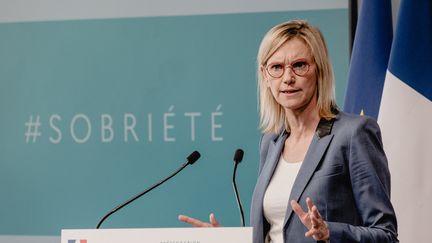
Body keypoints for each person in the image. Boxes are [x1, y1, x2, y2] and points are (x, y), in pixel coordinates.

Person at [179, 20, 398, 243]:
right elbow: (276, 233)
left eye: (300, 65)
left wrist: (329, 232)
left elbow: (386, 234)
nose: (287, 78)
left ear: (319, 69)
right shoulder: (271, 142)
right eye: (276, 67)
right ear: (264, 75)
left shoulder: (353, 134)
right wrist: (228, 239)